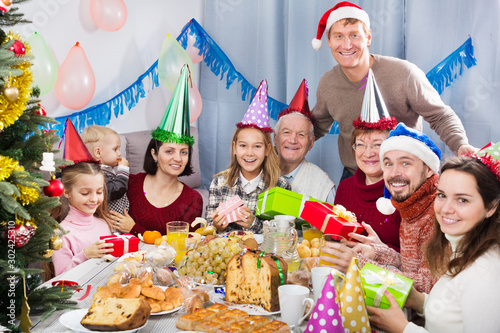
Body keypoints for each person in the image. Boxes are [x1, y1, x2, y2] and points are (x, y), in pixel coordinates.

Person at [311, 1, 476, 182]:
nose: (347, 44)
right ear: (328, 40)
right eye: (339, 36)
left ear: (368, 37)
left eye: (354, 35)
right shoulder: (328, 83)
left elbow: (440, 116)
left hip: (404, 177)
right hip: (355, 176)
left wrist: (460, 145)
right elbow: (316, 126)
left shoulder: (403, 74)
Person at [368, 153, 500, 332]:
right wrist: (417, 300)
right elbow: (451, 310)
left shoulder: (485, 273)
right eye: (442, 195)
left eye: (462, 200)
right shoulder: (464, 248)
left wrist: (403, 328)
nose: (445, 209)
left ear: (491, 207)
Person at [321, 123, 440, 294]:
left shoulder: (437, 211)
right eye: (389, 164)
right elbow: (410, 266)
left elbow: (429, 286)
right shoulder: (410, 203)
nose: (394, 173)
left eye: (405, 163)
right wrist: (378, 251)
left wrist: (360, 265)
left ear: (429, 169)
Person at [109, 65, 203, 235]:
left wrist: (134, 229)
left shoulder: (192, 199)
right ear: (154, 153)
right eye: (169, 151)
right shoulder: (130, 183)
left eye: (184, 152)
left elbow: (185, 246)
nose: (178, 158)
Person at [206, 80, 291, 234]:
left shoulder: (281, 186)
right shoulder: (219, 184)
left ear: (267, 150)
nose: (250, 153)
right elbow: (207, 229)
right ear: (234, 148)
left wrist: (254, 223)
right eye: (243, 145)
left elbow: (282, 234)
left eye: (257, 146)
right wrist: (216, 226)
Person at [334, 69, 401, 251]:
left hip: (389, 277)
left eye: (377, 145)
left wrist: (380, 250)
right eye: (361, 144)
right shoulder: (345, 188)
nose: (368, 153)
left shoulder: (403, 192)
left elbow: (416, 260)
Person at [274, 79, 335, 203]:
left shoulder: (323, 185)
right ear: (275, 138)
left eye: (301, 134)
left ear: (311, 143)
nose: (292, 140)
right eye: (286, 132)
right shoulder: (256, 170)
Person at [51, 162, 114, 276]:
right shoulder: (61, 234)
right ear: (67, 192)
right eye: (85, 193)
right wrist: (85, 255)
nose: (94, 199)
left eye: (99, 192)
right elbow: (61, 281)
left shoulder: (103, 224)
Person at [81, 125, 130, 214]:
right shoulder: (97, 174)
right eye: (115, 149)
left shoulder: (105, 171)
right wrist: (123, 169)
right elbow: (115, 191)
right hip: (109, 221)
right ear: (98, 152)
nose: (119, 154)